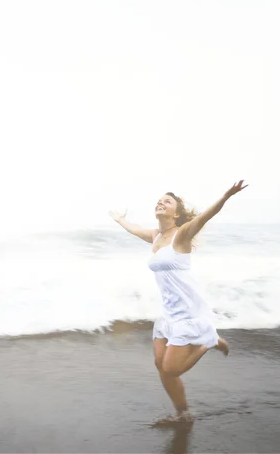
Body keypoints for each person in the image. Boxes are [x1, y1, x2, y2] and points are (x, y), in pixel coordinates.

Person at [109, 180, 248, 423]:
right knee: (161, 366)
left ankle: (208, 342)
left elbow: (204, 217)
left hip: (188, 313)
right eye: (159, 200)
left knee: (172, 369)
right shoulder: (155, 236)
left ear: (176, 213)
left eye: (167, 201)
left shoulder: (181, 235)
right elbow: (134, 229)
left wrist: (225, 196)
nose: (161, 202)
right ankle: (183, 414)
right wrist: (120, 220)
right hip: (169, 313)